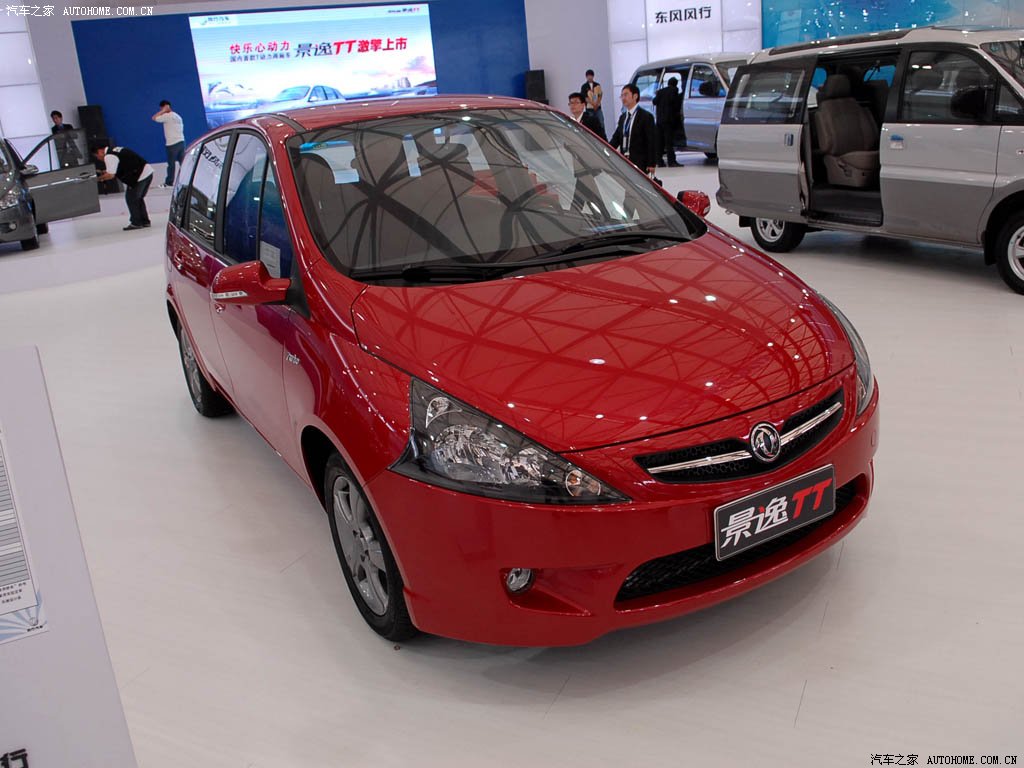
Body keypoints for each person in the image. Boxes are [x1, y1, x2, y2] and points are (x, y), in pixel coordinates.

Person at [92, 143, 153, 230]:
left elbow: (111, 175)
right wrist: (104, 172)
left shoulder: (109, 156)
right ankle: (145, 221)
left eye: (97, 156)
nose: (99, 159)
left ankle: (136, 222)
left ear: (100, 151)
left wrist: (97, 179)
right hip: (147, 172)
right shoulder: (115, 150)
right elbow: (117, 166)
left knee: (131, 199)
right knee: (138, 199)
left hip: (139, 176)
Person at [609, 84, 657, 175]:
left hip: (640, 162)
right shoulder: (623, 118)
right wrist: (606, 149)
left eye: (626, 95)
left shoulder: (646, 117)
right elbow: (616, 138)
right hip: (625, 161)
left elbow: (651, 141)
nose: (623, 98)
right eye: (621, 96)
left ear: (635, 96)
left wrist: (651, 163)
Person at [152, 100, 185, 187]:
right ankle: (187, 180)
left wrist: (163, 111)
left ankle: (169, 182)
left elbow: (154, 118)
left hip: (172, 144)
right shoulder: (178, 116)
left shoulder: (167, 116)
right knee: (183, 163)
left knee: (171, 164)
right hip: (181, 142)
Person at [652, 77, 682, 167]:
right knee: (669, 142)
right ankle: (671, 161)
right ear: (675, 84)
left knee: (660, 142)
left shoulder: (660, 91)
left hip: (659, 120)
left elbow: (654, 101)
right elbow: (675, 104)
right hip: (668, 121)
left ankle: (659, 161)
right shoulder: (674, 90)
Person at [580, 69, 604, 134]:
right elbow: (585, 97)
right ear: (586, 77)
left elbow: (600, 95)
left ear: (593, 76)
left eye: (591, 76)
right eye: (588, 76)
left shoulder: (597, 85)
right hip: (589, 108)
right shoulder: (584, 86)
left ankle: (602, 135)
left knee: (601, 122)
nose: (589, 77)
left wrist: (597, 103)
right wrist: (593, 104)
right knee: (591, 123)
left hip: (598, 108)